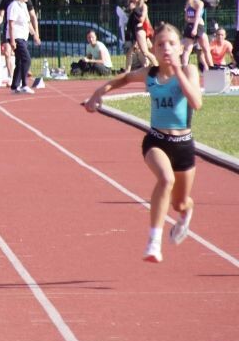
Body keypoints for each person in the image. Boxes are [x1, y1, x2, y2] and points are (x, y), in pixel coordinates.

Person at [83, 23, 202, 263]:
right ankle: (154, 242)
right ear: (153, 50)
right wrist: (99, 92)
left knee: (179, 202)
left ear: (180, 48)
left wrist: (178, 70)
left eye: (171, 44)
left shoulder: (188, 71)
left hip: (183, 145)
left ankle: (187, 211)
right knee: (165, 179)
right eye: (160, 44)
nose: (166, 48)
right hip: (156, 141)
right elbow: (124, 78)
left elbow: (196, 102)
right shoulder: (149, 75)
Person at [6, 0, 38, 93]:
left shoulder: (24, 6)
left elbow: (27, 22)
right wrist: (12, 40)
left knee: (19, 61)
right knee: (26, 59)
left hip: (23, 37)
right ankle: (24, 84)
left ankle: (15, 87)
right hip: (16, 37)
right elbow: (11, 23)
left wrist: (35, 35)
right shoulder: (14, 5)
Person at [181, 0, 213, 70]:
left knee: (187, 50)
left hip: (189, 26)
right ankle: (212, 68)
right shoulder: (199, 3)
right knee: (206, 49)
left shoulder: (188, 2)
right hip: (198, 27)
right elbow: (198, 16)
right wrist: (195, 28)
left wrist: (191, 22)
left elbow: (187, 18)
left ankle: (184, 68)